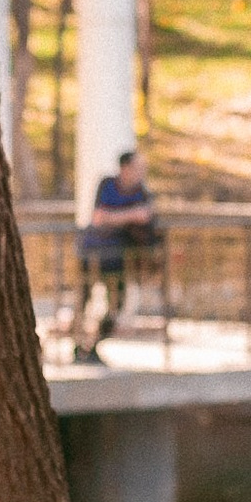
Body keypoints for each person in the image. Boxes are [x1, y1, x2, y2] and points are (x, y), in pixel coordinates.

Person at [74, 147, 160, 362]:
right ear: (125, 167)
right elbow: (99, 217)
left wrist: (118, 218)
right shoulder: (107, 185)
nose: (142, 171)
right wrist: (131, 215)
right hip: (92, 252)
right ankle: (78, 345)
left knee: (117, 303)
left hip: (117, 256)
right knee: (84, 299)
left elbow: (147, 219)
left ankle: (94, 343)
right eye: (138, 167)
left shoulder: (142, 191)